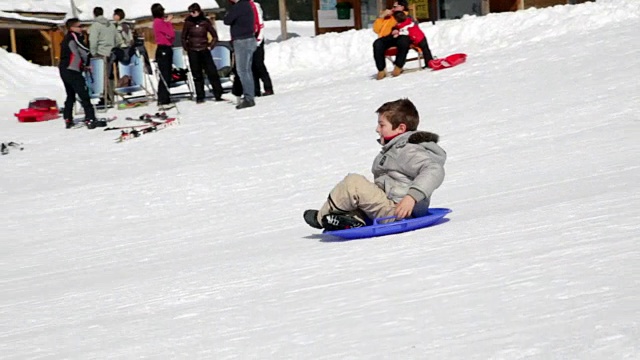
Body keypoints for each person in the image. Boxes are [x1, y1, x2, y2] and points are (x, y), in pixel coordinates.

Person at [303, 98, 446, 231]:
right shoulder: (397, 148)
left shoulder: (407, 149)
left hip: (398, 211)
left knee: (354, 183)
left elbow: (434, 169)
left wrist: (411, 198)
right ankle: (351, 221)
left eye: (382, 125)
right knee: (357, 199)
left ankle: (321, 218)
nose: (377, 129)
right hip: (394, 208)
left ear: (401, 128)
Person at [59, 18, 105, 129]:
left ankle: (68, 118)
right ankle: (90, 119)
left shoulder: (67, 38)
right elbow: (84, 50)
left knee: (70, 95)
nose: (81, 29)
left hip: (65, 69)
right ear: (72, 28)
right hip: (72, 70)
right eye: (79, 26)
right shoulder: (74, 36)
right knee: (84, 95)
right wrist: (88, 62)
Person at [182, 2, 224, 103]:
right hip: (193, 50)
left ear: (199, 11)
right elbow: (183, 37)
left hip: (204, 49)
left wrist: (211, 46)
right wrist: (187, 48)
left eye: (194, 12)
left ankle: (218, 93)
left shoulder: (205, 22)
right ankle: (200, 96)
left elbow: (214, 36)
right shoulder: (188, 23)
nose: (192, 14)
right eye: (190, 12)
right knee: (197, 74)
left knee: (212, 72)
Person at [224, 0, 256, 110]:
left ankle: (249, 97)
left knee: (242, 70)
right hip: (249, 39)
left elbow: (227, 20)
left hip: (242, 41)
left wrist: (228, 13)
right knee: (247, 70)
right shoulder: (246, 4)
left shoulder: (239, 6)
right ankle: (249, 95)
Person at [372, 0, 411, 80]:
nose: (392, 8)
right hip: (387, 38)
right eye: (392, 7)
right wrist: (381, 17)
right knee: (377, 43)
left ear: (402, 7)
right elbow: (376, 29)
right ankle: (381, 69)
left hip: (401, 35)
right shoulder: (387, 17)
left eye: (395, 7)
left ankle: (398, 66)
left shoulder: (405, 16)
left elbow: (408, 25)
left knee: (403, 41)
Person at [89, 7, 118, 107]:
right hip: (111, 53)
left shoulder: (95, 26)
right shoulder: (111, 25)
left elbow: (93, 40)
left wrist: (93, 52)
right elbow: (117, 38)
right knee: (109, 75)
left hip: (100, 53)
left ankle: (105, 98)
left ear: (94, 14)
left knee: (101, 76)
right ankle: (111, 97)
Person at [151, 3, 175, 108]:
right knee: (165, 74)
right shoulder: (158, 22)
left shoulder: (160, 22)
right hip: (163, 49)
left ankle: (165, 97)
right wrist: (169, 22)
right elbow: (171, 34)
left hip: (166, 48)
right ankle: (163, 99)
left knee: (167, 73)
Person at [250, 0, 273, 97]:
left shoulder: (254, 6)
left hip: (257, 38)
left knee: (259, 64)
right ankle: (256, 90)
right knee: (251, 65)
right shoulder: (242, 6)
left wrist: (259, 39)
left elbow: (260, 23)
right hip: (248, 38)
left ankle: (268, 88)